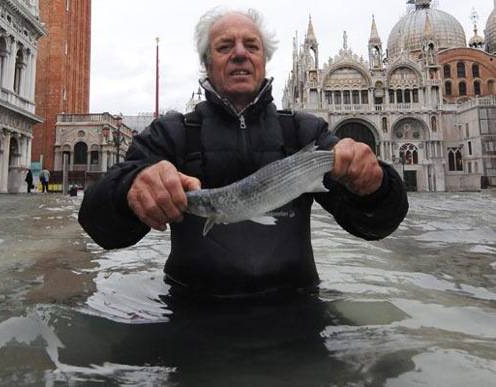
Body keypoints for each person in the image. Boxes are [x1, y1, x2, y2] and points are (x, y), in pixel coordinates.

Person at [79, 8, 408, 297]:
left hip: (297, 311)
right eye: (225, 47)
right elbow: (99, 227)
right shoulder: (171, 135)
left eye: (252, 46)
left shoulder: (304, 133)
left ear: (264, 61)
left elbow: (376, 225)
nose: (240, 54)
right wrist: (131, 189)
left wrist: (376, 184)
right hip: (189, 312)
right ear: (207, 63)